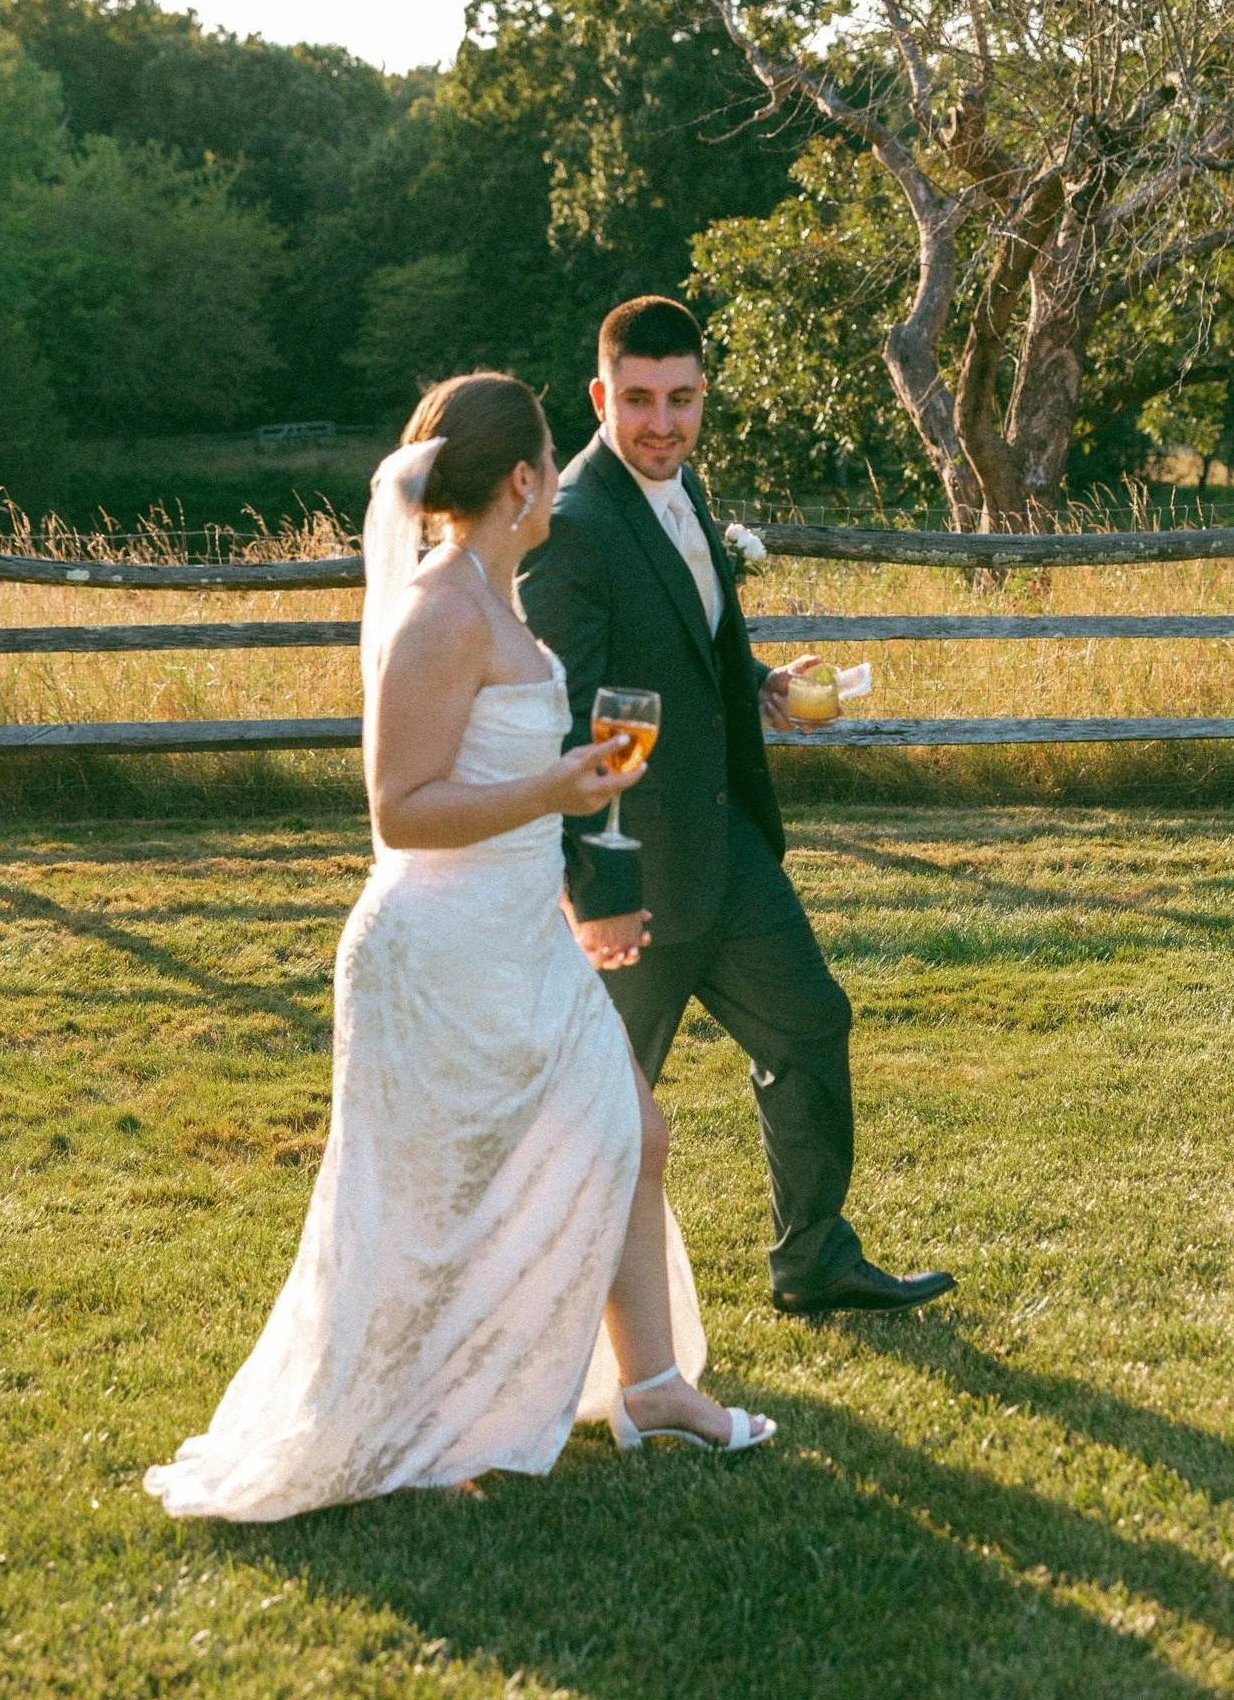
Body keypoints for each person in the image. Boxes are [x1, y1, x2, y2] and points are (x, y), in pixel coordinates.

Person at [143, 373, 773, 1524]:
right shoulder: (440, 610)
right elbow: (400, 811)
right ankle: (438, 1416)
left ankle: (652, 1388)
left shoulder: (498, 596)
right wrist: (554, 783)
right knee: (433, 1199)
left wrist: (572, 794)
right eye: (552, 459)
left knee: (633, 1129)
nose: (562, 480)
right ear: (525, 481)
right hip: (439, 952)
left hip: (519, 932)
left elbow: (485, 769)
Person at [516, 299, 956, 1315]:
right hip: (637, 875)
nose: (662, 423)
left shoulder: (683, 488)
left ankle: (814, 1260)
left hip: (727, 847)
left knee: (810, 1023)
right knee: (599, 1103)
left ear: (703, 396)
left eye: (680, 400)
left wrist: (758, 683)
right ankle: (534, 1313)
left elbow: (688, 648)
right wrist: (602, 888)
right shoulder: (574, 526)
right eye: (638, 401)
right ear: (600, 397)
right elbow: (571, 719)